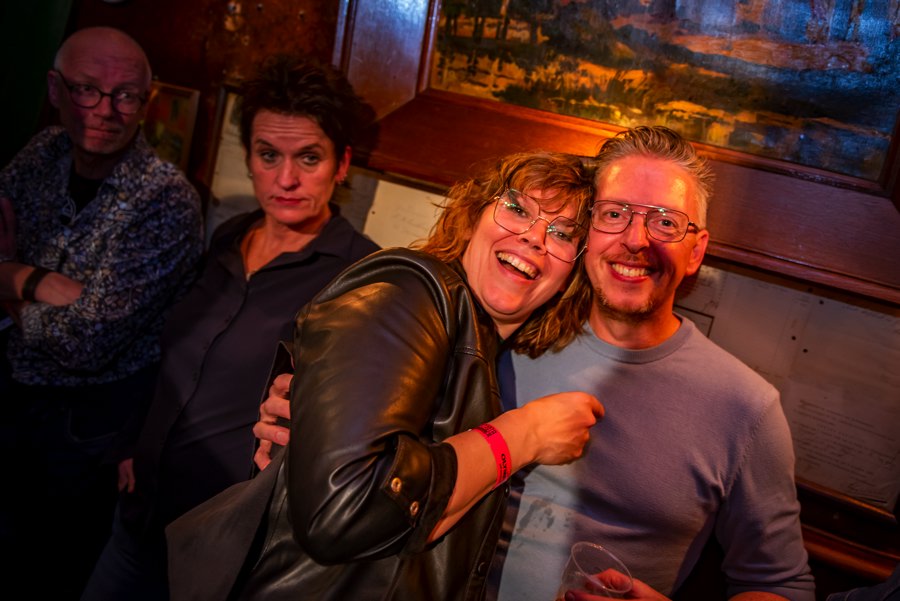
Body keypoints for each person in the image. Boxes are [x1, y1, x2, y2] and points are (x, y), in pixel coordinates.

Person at [251, 127, 816, 600]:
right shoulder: (504, 334)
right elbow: (363, 457)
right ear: (592, 237)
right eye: (614, 214)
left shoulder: (745, 408)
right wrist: (311, 407)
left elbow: (781, 586)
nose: (636, 240)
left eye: (666, 222)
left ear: (697, 250)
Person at [165, 150, 604, 601]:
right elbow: (344, 513)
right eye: (517, 209)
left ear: (572, 272)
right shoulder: (411, 290)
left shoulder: (480, 350)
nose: (535, 237)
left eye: (562, 233)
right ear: (473, 216)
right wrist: (522, 435)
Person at [81, 55, 382, 600]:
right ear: (248, 158)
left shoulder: (359, 275)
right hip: (138, 515)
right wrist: (132, 444)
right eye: (268, 155)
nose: (285, 179)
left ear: (342, 164)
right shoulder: (229, 237)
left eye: (308, 157)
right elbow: (173, 358)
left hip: (221, 546)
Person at [0, 27, 202, 599]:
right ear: (55, 89)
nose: (106, 111)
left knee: (47, 573)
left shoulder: (164, 198)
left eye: (126, 95)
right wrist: (35, 282)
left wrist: (7, 278)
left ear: (147, 101)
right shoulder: (41, 153)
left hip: (87, 428)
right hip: (11, 392)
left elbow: (85, 342)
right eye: (87, 89)